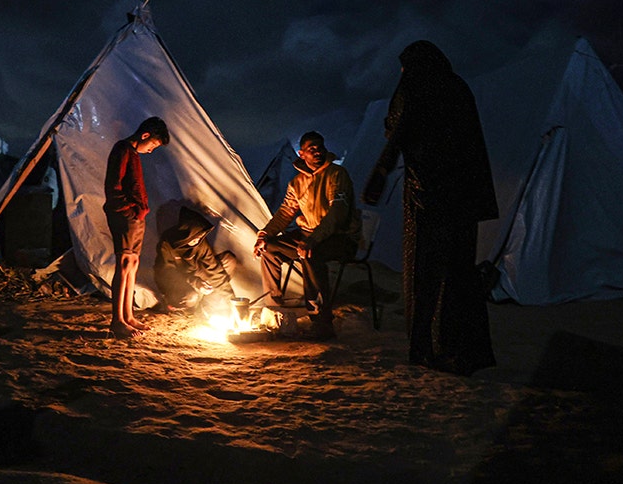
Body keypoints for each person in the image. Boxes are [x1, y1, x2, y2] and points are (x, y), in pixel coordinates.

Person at [362, 40, 497, 375]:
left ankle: (430, 347)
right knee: (460, 273)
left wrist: (380, 172)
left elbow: (399, 130)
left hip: (430, 196)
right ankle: (467, 351)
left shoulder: (418, 86)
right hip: (464, 198)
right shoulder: (458, 87)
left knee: (428, 274)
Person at [254, 131, 360, 340]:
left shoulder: (337, 174)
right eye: (311, 149)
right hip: (308, 234)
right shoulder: (297, 182)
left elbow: (337, 215)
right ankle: (275, 309)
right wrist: (265, 234)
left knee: (309, 253)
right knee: (269, 249)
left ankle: (321, 322)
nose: (317, 151)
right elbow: (286, 212)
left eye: (320, 147)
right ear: (302, 154)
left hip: (340, 237)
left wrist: (312, 240)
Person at [103, 116, 170, 338]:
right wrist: (128, 209)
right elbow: (113, 186)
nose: (151, 150)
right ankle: (117, 321)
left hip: (136, 215)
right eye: (152, 145)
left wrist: (139, 211)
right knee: (124, 263)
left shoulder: (132, 154)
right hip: (125, 215)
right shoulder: (122, 150)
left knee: (132, 263)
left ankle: (128, 316)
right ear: (144, 135)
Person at [154, 206, 238, 316]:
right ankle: (181, 308)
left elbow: (214, 268)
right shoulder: (167, 244)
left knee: (228, 261)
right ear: (187, 234)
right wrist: (194, 281)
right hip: (177, 283)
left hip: (195, 274)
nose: (197, 241)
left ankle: (210, 303)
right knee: (191, 297)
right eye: (195, 238)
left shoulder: (200, 243)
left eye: (200, 238)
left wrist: (230, 299)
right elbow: (168, 275)